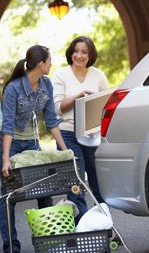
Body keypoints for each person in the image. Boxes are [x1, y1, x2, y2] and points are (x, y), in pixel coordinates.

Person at [0, 45, 67, 253]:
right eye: (49, 60)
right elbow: (8, 125)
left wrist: (64, 151)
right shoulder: (13, 88)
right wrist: (6, 158)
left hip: (32, 144)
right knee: (9, 196)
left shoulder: (46, 84)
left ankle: (48, 242)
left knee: (44, 191)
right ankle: (11, 247)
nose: (51, 63)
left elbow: (51, 121)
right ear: (40, 64)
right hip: (10, 143)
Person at [51, 36, 109, 212]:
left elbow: (106, 105)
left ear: (90, 55)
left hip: (92, 134)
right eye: (76, 51)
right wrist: (79, 96)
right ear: (71, 53)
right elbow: (57, 109)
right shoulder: (60, 75)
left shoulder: (98, 75)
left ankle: (103, 225)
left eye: (84, 52)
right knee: (76, 182)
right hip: (67, 133)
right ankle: (82, 229)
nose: (79, 55)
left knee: (98, 182)